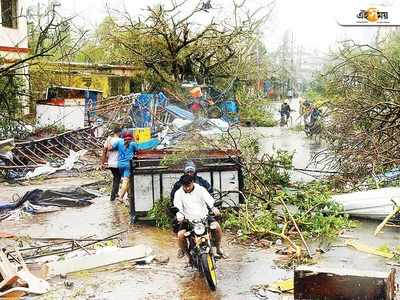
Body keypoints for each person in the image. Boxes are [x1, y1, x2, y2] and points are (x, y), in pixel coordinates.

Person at [173, 174, 224, 259]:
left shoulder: (200, 189)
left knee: (217, 227)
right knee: (180, 235)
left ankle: (218, 248)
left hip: (204, 217)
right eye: (185, 186)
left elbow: (209, 200)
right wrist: (179, 215)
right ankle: (187, 254)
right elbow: (178, 207)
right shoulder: (178, 193)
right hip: (188, 220)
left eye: (189, 185)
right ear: (182, 185)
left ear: (192, 182)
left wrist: (213, 207)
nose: (187, 188)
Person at [109, 130, 138, 202]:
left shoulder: (119, 142)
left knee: (127, 180)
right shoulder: (133, 143)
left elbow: (110, 148)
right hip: (128, 164)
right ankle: (121, 196)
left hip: (120, 165)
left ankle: (129, 195)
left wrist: (109, 140)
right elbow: (138, 150)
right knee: (126, 180)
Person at [101, 127, 122, 202]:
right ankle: (113, 198)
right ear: (119, 132)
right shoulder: (120, 140)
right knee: (117, 179)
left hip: (110, 163)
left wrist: (102, 163)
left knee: (116, 178)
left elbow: (104, 152)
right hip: (118, 163)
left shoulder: (108, 140)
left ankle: (115, 196)